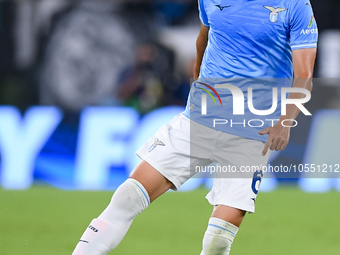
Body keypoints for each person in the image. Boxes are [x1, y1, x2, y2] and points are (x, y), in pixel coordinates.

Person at [72, 0, 317, 254]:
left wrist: (285, 122)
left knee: (219, 239)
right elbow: (204, 37)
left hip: (252, 131)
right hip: (199, 121)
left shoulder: (295, 4)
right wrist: (197, 80)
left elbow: (304, 74)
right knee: (127, 197)